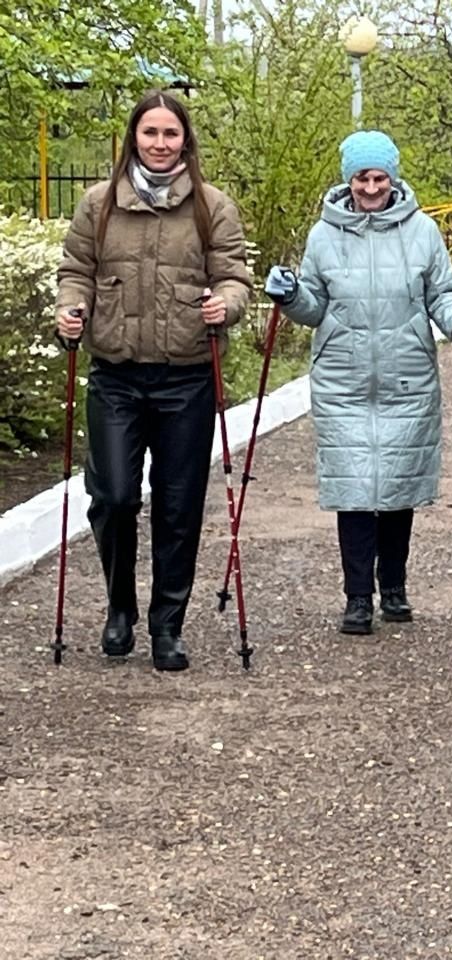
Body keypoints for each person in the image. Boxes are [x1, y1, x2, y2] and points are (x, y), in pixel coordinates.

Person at [54, 90, 252, 672]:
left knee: (177, 504)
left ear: (185, 141)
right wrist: (72, 308)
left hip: (186, 376)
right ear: (133, 138)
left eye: (170, 134)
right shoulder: (99, 205)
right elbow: (77, 272)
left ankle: (168, 625)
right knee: (113, 496)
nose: (161, 144)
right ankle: (120, 607)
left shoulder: (211, 207)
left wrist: (228, 304)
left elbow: (235, 276)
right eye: (150, 134)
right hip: (115, 373)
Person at [264, 130, 452, 636]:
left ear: (393, 177)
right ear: (348, 179)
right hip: (344, 378)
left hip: (406, 377)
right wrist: (291, 294)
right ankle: (358, 596)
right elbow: (314, 308)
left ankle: (396, 587)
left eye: (380, 177)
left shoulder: (422, 231)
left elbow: (442, 294)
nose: (371, 186)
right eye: (362, 177)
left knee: (399, 489)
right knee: (356, 490)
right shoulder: (322, 235)